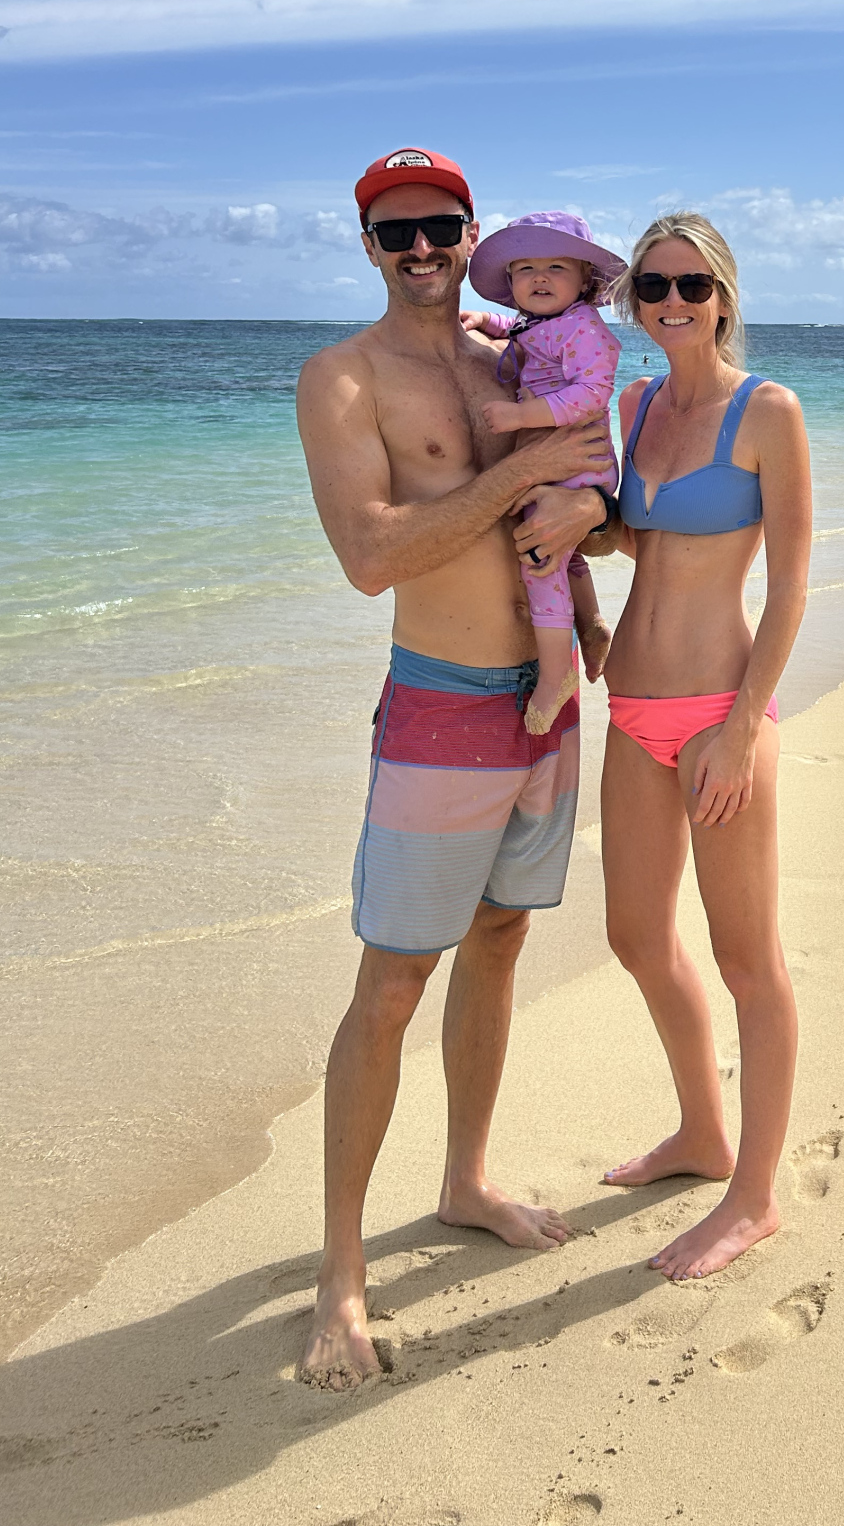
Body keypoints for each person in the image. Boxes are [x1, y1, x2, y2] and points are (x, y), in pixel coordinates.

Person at [293, 146, 620, 1390]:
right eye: (398, 233)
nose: (422, 250)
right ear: (369, 247)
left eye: (441, 228)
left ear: (471, 232)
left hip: (545, 707)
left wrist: (590, 507)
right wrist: (526, 472)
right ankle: (341, 1275)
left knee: (499, 945)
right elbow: (371, 556)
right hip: (438, 705)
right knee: (390, 984)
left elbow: (602, 491)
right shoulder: (341, 379)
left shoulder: (517, 354)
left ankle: (465, 1179)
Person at [598, 212, 812, 1280]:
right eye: (652, 286)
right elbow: (624, 534)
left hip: (722, 717)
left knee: (746, 960)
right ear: (632, 299)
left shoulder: (766, 411)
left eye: (690, 285)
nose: (671, 303)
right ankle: (700, 1132)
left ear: (723, 295)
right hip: (628, 707)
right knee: (636, 936)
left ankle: (755, 1195)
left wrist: (738, 732)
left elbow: (790, 588)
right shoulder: (632, 406)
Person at [465, 212, 626, 732]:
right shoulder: (544, 322)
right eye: (526, 267)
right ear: (510, 282)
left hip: (579, 462)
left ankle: (557, 672)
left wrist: (520, 416)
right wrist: (481, 324)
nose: (539, 277)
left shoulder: (585, 330)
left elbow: (591, 394)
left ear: (585, 280)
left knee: (539, 556)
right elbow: (517, 333)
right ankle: (591, 623)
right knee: (563, 551)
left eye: (556, 266)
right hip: (560, 462)